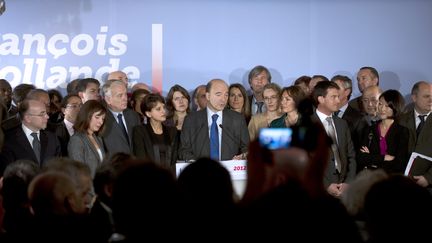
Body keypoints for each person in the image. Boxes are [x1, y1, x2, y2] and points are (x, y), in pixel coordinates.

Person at [179, 79, 249, 161]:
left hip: (229, 171)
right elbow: (183, 150)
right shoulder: (191, 120)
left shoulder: (237, 119)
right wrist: (193, 162)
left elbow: (247, 148)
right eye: (218, 94)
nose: (223, 99)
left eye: (226, 95)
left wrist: (242, 156)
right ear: (208, 96)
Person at [312, 81, 357, 198]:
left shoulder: (342, 124)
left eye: (338, 96)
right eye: (333, 97)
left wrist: (348, 182)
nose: (338, 100)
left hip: (343, 191)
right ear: (321, 99)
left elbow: (351, 156)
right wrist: (326, 185)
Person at [0, 99, 61, 175]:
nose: (47, 117)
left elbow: (59, 168)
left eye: (46, 113)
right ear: (28, 118)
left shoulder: (52, 138)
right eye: (42, 114)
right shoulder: (9, 140)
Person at [357, 90, 409, 174]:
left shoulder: (402, 131)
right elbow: (361, 158)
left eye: (387, 106)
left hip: (391, 180)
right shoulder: (369, 129)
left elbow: (400, 163)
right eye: (380, 104)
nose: (382, 109)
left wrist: (372, 159)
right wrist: (384, 157)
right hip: (371, 179)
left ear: (395, 107)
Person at [132, 93, 179, 171]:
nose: (163, 111)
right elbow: (140, 159)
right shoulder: (139, 131)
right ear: (148, 113)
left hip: (170, 177)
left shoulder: (172, 131)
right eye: (158, 109)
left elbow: (174, 159)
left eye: (163, 107)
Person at [399, 81, 432, 191]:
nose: (431, 100)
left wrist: (428, 178)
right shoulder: (401, 120)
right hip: (402, 185)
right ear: (414, 97)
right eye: (426, 96)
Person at [100, 80, 141, 158]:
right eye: (120, 95)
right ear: (108, 99)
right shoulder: (101, 118)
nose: (125, 98)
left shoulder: (133, 115)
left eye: (125, 94)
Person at [68, 100, 107, 178]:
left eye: (103, 119)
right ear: (86, 115)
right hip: (87, 187)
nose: (101, 122)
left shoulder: (98, 138)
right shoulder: (77, 140)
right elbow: (79, 172)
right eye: (97, 117)